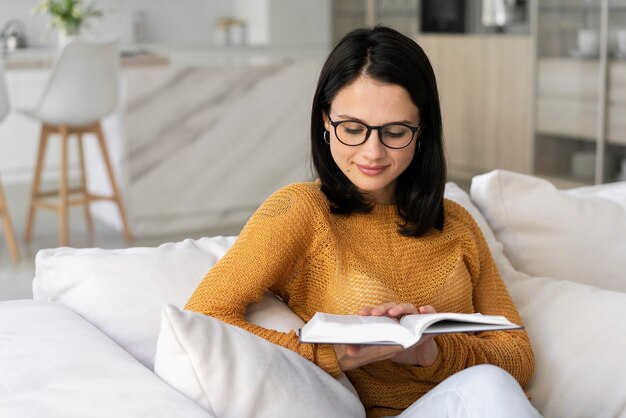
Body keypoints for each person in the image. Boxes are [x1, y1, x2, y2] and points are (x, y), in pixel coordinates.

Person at [185, 26, 540, 418]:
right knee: (487, 387)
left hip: (480, 404)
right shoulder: (301, 211)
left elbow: (518, 357)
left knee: (489, 387)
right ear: (325, 120)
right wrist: (332, 355)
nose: (372, 152)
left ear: (422, 132)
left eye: (394, 132)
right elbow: (205, 315)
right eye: (352, 129)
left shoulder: (456, 223)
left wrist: (430, 353)